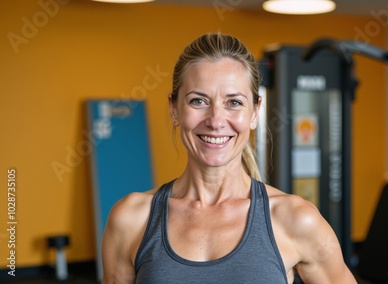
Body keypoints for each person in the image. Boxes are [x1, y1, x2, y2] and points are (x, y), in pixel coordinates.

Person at [102, 32, 357, 284]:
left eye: (233, 103)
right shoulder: (131, 219)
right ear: (174, 109)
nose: (215, 121)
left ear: (255, 112)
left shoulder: (296, 219)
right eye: (198, 101)